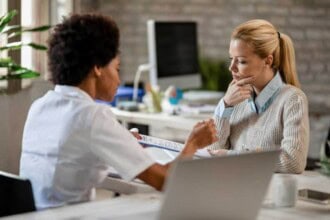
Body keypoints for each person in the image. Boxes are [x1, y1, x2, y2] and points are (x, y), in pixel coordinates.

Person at [19, 13, 218, 210]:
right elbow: (165, 181)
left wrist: (121, 140)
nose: (118, 80)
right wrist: (192, 144)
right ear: (97, 68)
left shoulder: (40, 105)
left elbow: (74, 152)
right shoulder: (92, 115)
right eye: (116, 68)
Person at [208, 19, 309, 174]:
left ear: (268, 60)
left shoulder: (293, 99)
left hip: (268, 195)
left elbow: (293, 162)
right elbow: (213, 152)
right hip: (234, 188)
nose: (231, 68)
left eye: (241, 61)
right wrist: (225, 106)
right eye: (231, 59)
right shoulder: (235, 98)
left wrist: (233, 156)